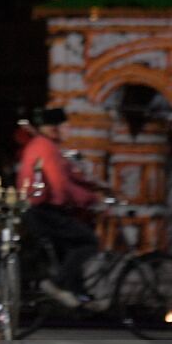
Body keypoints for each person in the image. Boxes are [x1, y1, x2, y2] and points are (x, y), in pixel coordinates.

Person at [17, 107, 102, 308]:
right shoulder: (46, 147)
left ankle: (78, 294)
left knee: (70, 245)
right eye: (66, 126)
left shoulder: (44, 145)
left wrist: (96, 189)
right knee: (87, 240)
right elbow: (61, 186)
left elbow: (71, 176)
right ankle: (58, 284)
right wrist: (89, 199)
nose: (68, 130)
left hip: (38, 208)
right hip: (43, 210)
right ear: (54, 128)